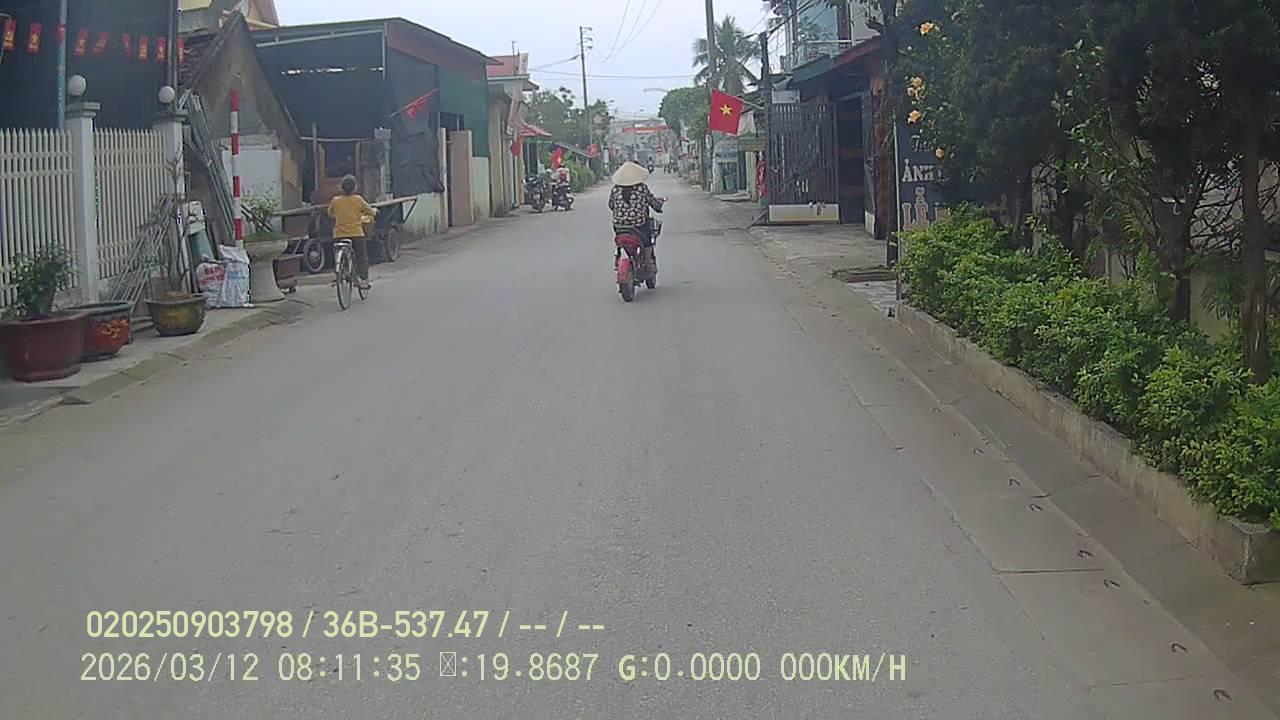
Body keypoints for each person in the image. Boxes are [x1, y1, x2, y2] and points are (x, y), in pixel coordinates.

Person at [327, 175, 376, 290]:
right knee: (361, 256)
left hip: (339, 234)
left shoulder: (335, 200)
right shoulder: (358, 199)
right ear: (355, 187)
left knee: (338, 254)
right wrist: (373, 211)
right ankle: (364, 280)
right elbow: (370, 212)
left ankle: (341, 272)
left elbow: (330, 213)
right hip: (356, 234)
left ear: (341, 187)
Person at [609, 161, 664, 246]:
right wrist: (658, 206)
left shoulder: (615, 189)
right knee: (647, 242)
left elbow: (611, 205)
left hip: (619, 226)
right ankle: (647, 253)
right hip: (639, 225)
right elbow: (653, 202)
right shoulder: (641, 188)